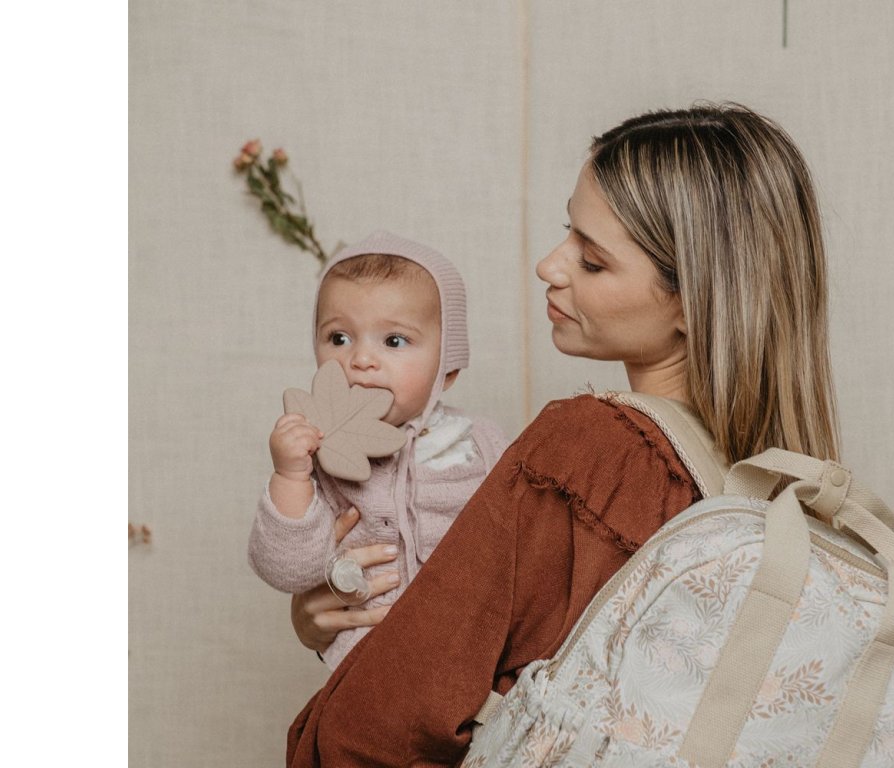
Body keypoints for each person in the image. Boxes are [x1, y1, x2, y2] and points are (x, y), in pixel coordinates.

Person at [285, 103, 841, 766]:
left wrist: (340, 649)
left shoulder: (590, 453)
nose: (550, 265)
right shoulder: (780, 494)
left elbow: (370, 728)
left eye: (593, 261)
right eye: (566, 233)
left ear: (691, 301)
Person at [248, 230, 509, 669]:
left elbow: (530, 544)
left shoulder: (479, 445)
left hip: (475, 661)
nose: (361, 360)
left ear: (447, 369)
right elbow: (287, 569)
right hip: (365, 671)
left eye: (393, 341)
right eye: (338, 338)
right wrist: (289, 477)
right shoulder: (317, 458)